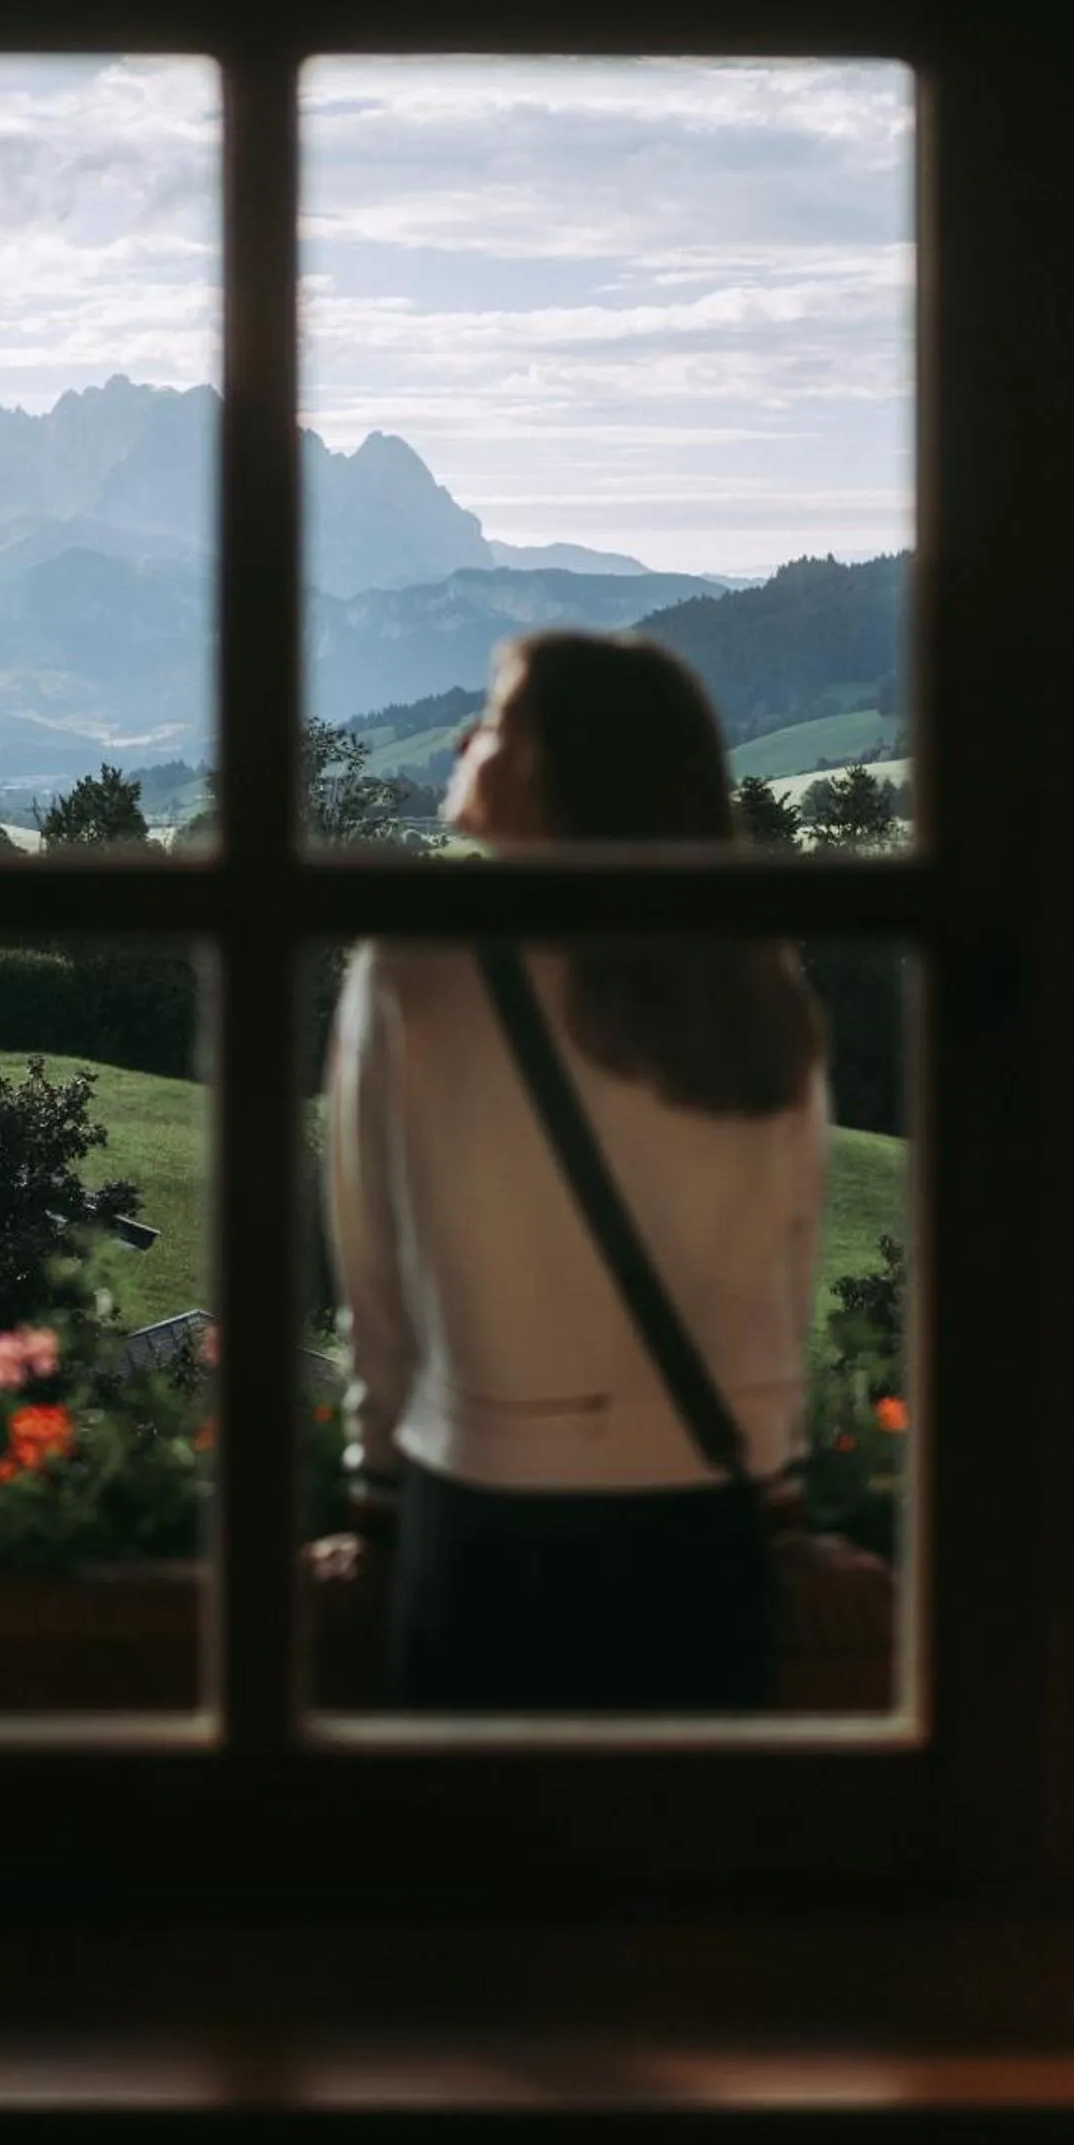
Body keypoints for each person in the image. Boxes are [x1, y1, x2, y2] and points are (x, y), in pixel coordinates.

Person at [323, 629, 828, 1712]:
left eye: (497, 718)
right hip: (711, 1525)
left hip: (487, 1515)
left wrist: (374, 1499)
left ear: (555, 766)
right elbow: (787, 1255)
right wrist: (778, 1500)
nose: (464, 737)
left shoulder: (417, 964)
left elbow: (373, 1270)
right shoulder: (751, 973)